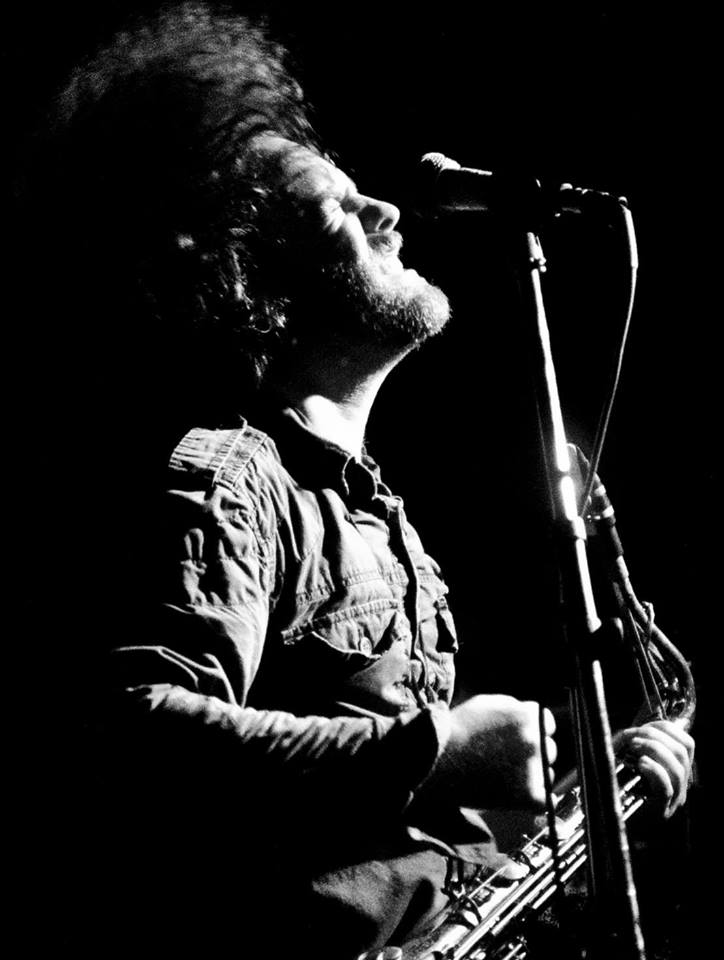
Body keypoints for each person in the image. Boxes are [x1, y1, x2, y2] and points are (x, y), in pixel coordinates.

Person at [19, 4, 693, 958]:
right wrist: (439, 749)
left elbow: (383, 842)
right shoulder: (232, 477)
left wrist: (591, 812)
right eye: (338, 206)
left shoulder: (376, 516)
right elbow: (138, 736)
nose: (388, 212)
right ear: (251, 274)